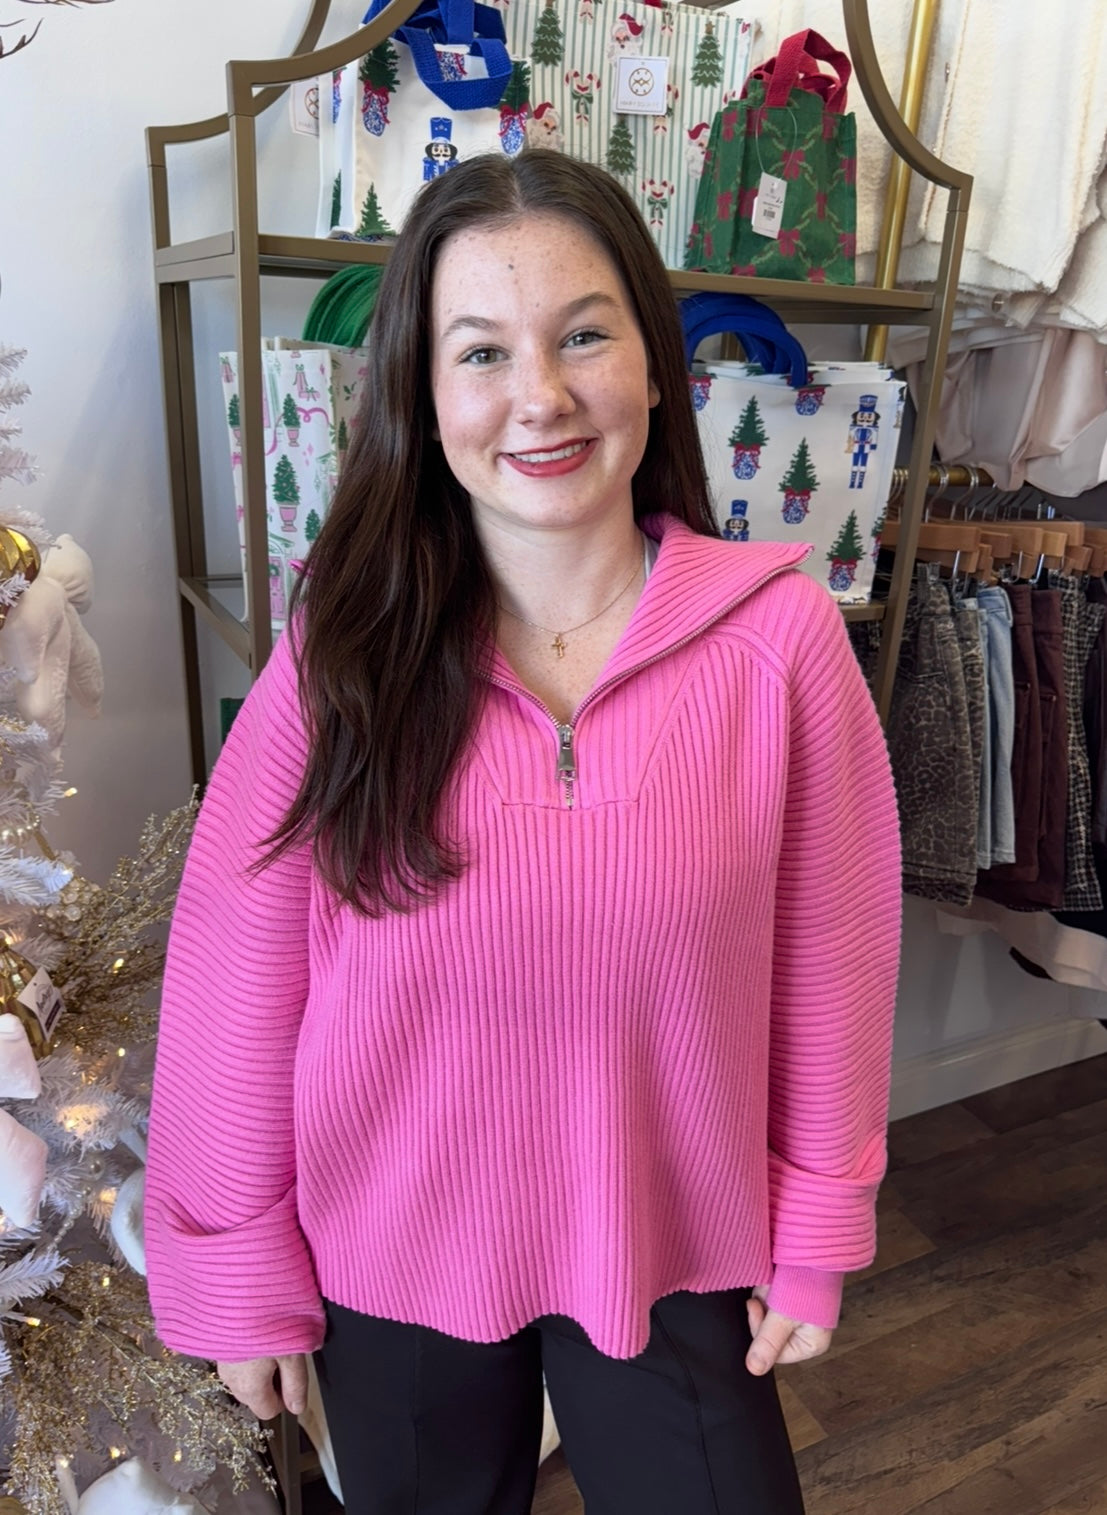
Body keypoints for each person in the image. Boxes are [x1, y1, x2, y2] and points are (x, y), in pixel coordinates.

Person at [145, 151, 902, 1515]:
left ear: (656, 366)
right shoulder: (338, 658)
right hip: (391, 1255)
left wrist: (818, 1222)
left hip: (675, 1236)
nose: (539, 396)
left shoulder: (783, 643)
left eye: (584, 336)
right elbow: (235, 982)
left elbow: (831, 962)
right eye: (482, 352)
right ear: (423, 395)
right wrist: (231, 1260)